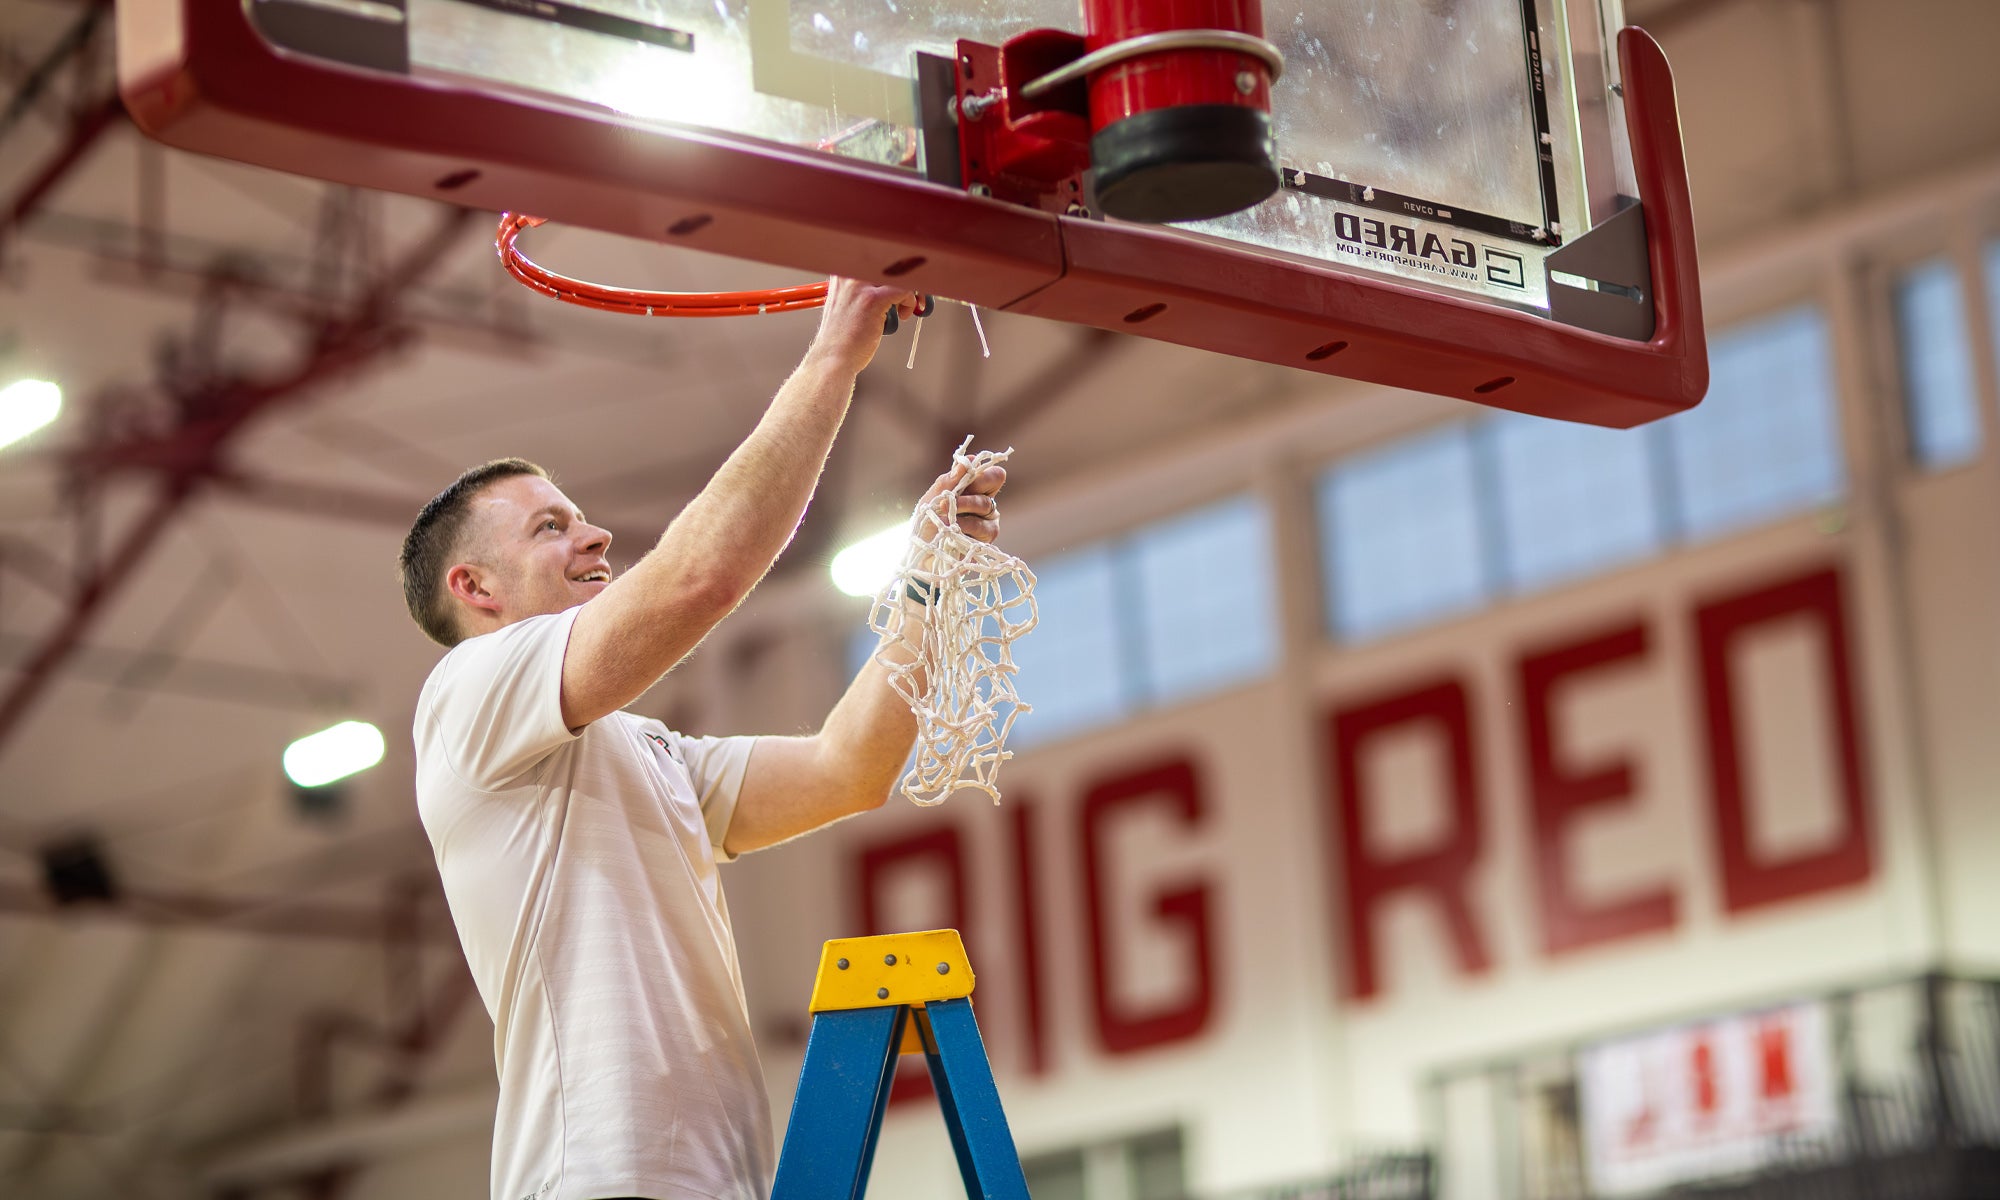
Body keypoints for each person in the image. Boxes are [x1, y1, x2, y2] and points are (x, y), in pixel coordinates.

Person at [396, 278, 1005, 1200]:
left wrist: (928, 584)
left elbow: (851, 769)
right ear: (476, 588)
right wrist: (834, 353)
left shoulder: (640, 748)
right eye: (552, 526)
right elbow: (699, 582)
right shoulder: (464, 697)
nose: (595, 534)